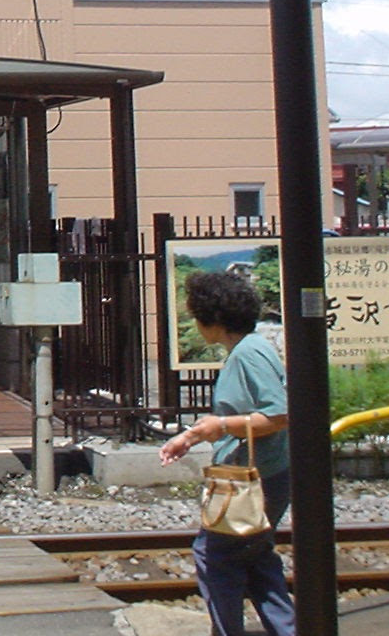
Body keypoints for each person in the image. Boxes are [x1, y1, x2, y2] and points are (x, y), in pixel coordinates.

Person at [158, 270, 294, 636]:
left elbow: (278, 414)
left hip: (253, 479)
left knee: (214, 555)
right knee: (255, 559)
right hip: (268, 472)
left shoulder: (247, 355)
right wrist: (194, 435)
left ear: (213, 319)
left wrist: (218, 427)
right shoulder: (253, 347)